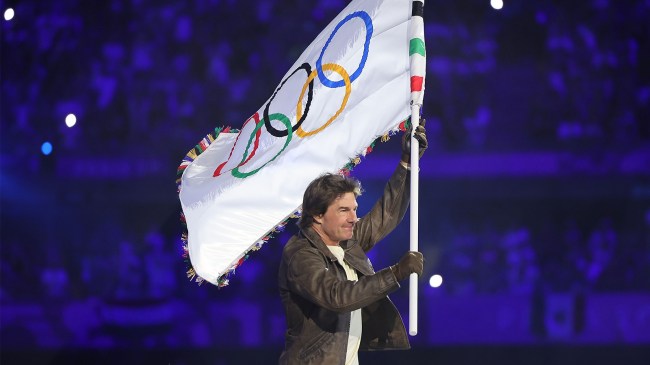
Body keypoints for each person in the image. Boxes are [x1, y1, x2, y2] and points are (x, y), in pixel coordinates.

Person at [278, 121, 427, 364]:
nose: (353, 218)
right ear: (317, 214)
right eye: (344, 210)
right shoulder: (300, 254)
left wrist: (408, 163)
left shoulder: (346, 242)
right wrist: (396, 273)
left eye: (354, 209)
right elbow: (337, 297)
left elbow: (385, 214)